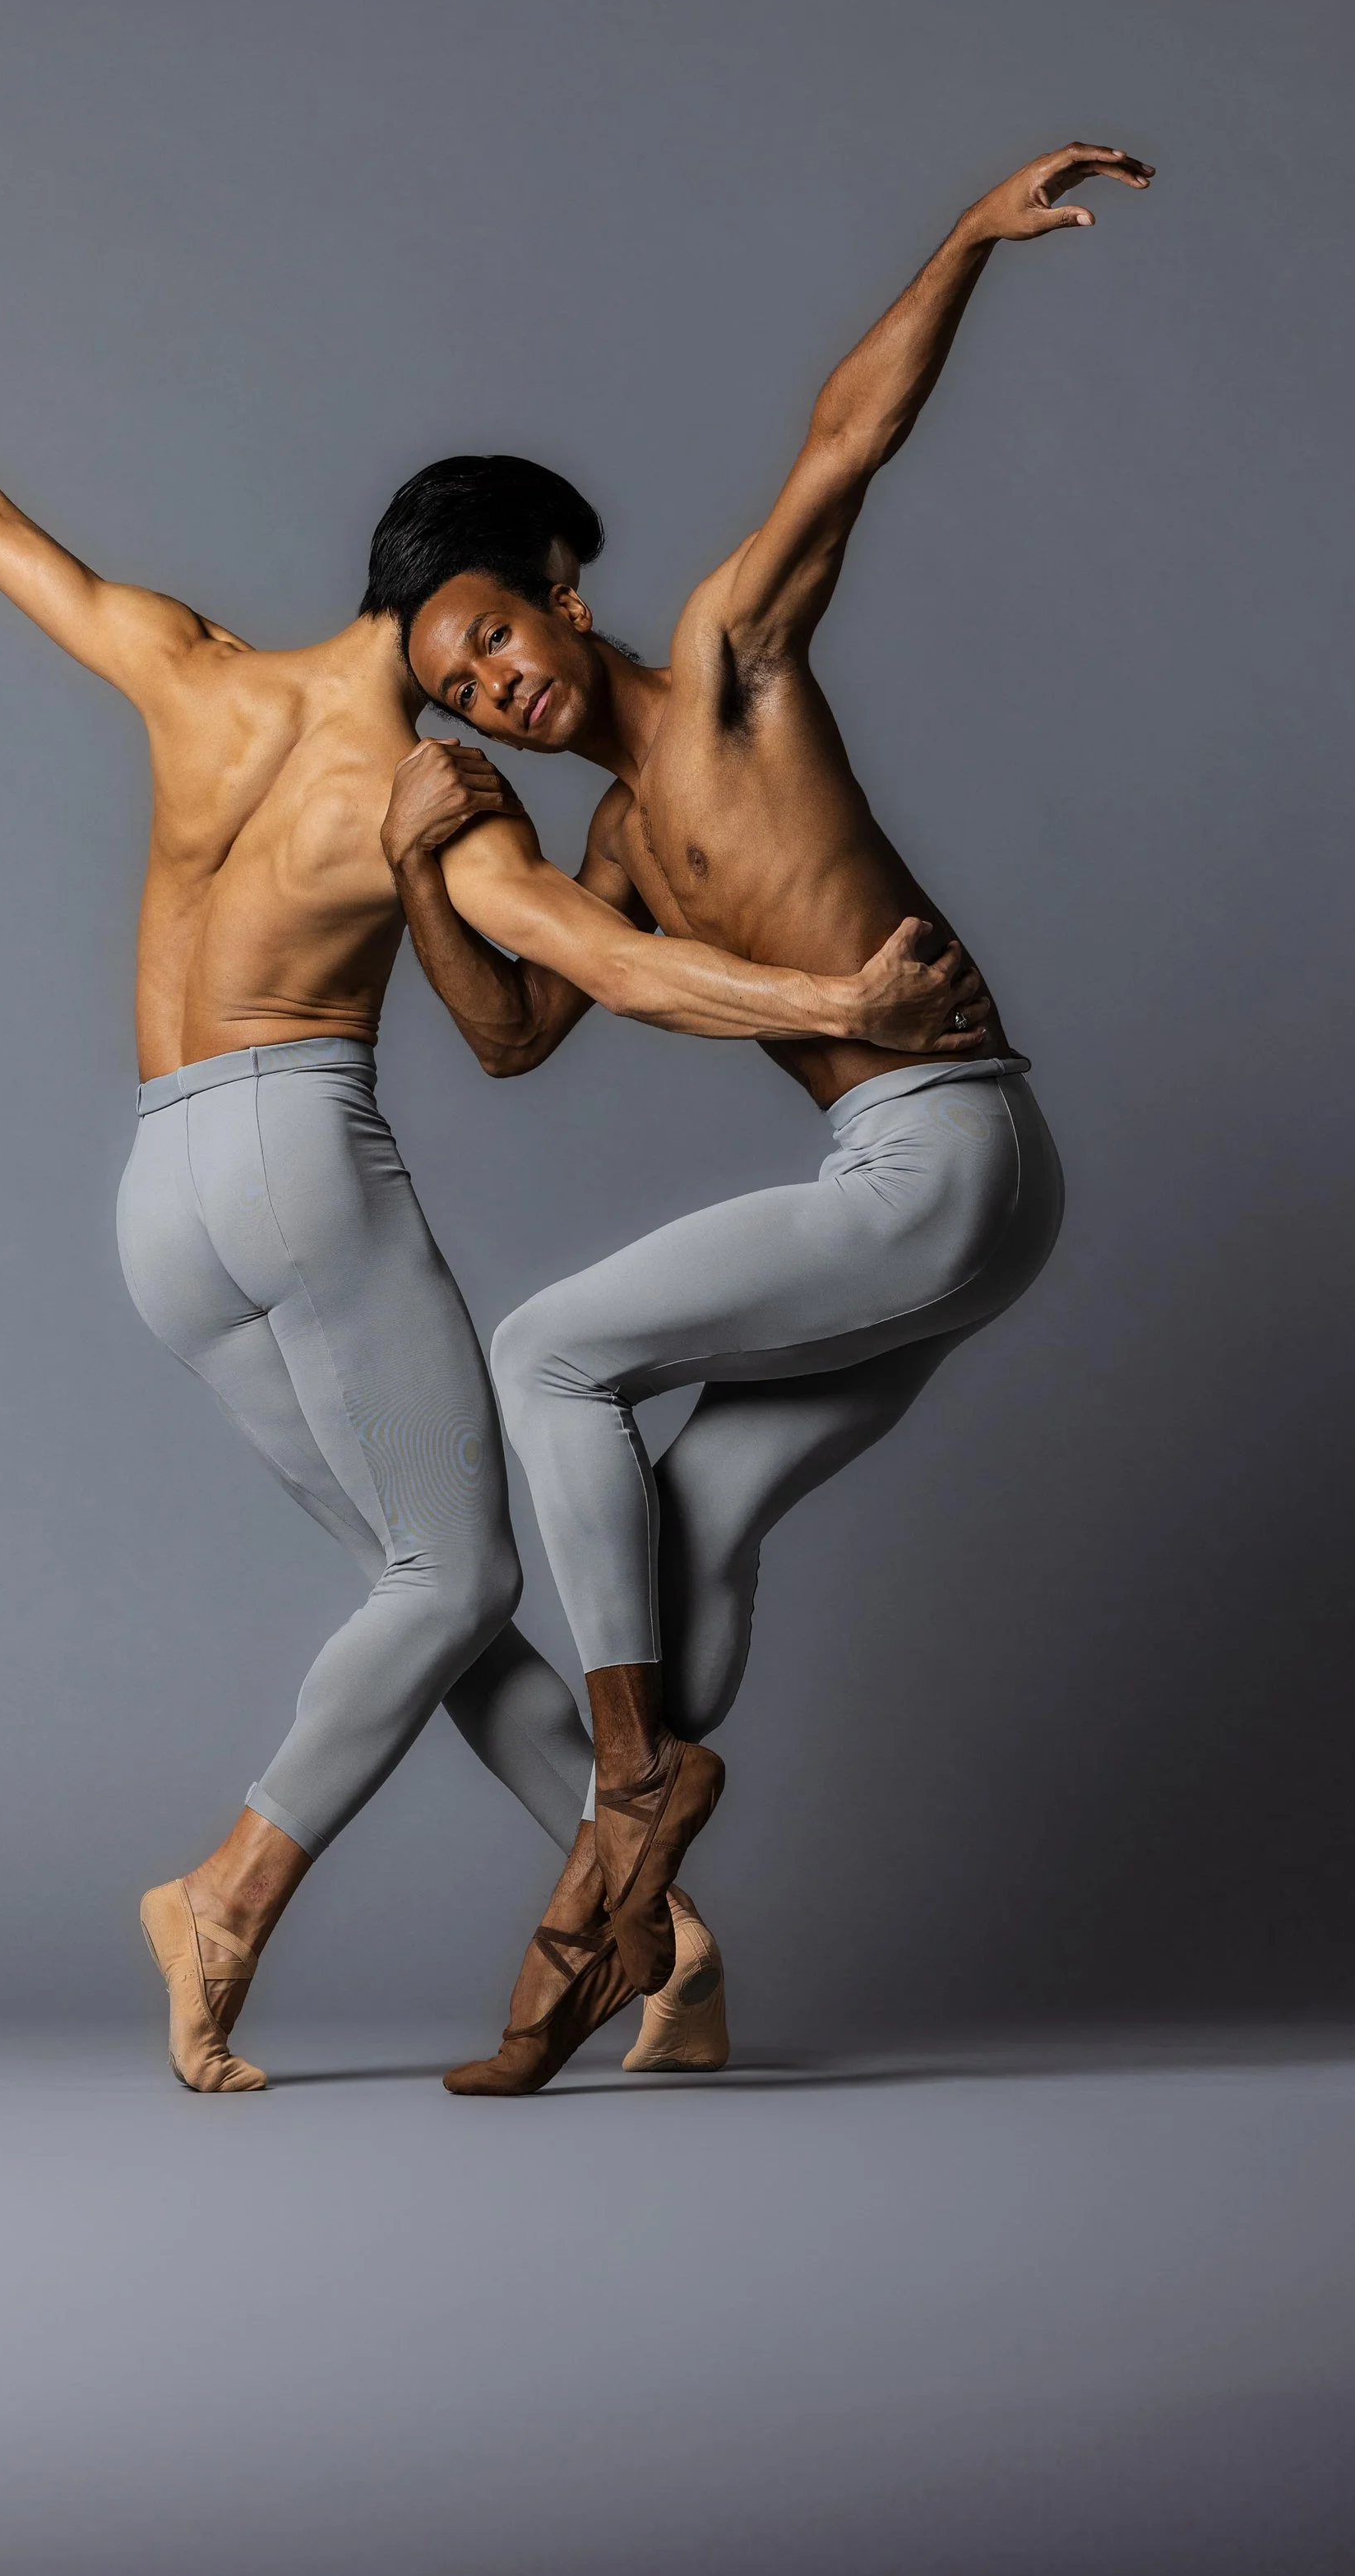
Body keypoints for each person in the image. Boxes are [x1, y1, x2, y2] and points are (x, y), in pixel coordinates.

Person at [0, 315, 992, 2093]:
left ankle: (663, 1948)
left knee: (419, 1589)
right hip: (292, 1161)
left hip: (157, 1193)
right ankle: (224, 1898)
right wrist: (839, 1004)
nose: (503, 679)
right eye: (487, 643)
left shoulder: (186, 666)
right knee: (453, 1574)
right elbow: (603, 970)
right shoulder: (435, 800)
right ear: (477, 600)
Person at [374, 141, 1152, 2093]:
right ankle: (628, 1895)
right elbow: (512, 1040)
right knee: (684, 1536)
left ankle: (626, 1795)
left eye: (492, 635)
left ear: (562, 594)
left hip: (941, 1150)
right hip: (934, 1194)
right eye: (454, 688)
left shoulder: (729, 663)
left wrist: (965, 240)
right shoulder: (617, 850)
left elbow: (844, 438)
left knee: (548, 1354)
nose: (489, 688)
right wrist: (415, 874)